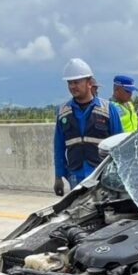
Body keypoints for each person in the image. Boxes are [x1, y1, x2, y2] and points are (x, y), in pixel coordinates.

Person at [53, 58, 122, 195]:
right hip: (75, 175)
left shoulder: (108, 109)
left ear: (89, 83)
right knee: (79, 213)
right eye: (69, 83)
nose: (72, 86)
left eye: (76, 82)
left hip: (102, 174)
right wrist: (58, 176)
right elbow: (59, 147)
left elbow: (119, 145)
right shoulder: (63, 112)